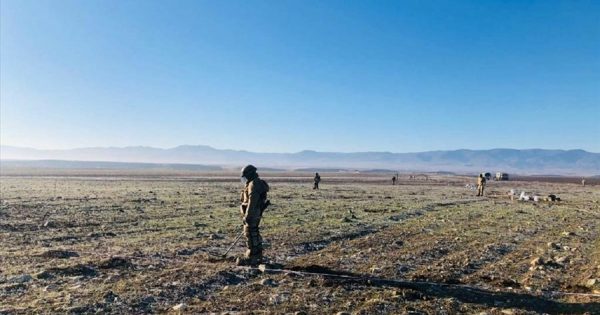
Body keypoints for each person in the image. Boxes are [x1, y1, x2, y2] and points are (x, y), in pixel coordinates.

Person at [237, 165, 269, 266]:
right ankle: (256, 255)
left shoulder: (253, 184)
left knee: (250, 233)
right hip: (254, 213)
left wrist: (248, 215)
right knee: (252, 232)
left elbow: (252, 201)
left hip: (252, 214)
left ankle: (253, 258)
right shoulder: (254, 183)